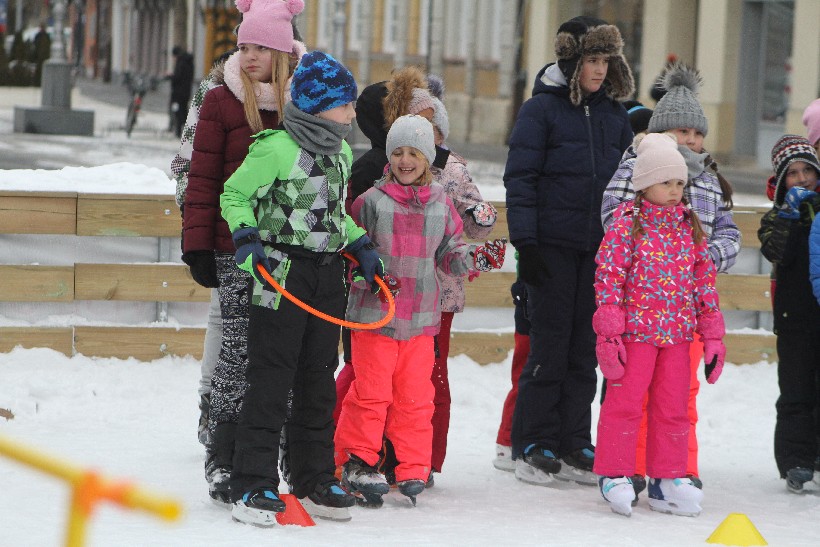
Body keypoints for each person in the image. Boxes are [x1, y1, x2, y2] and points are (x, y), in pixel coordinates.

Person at [221, 49, 374, 526]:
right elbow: (234, 193)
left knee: (317, 379)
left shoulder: (342, 153)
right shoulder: (277, 148)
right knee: (271, 378)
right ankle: (253, 482)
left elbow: (330, 217)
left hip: (328, 277)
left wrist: (360, 243)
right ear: (318, 105)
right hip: (280, 276)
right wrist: (245, 235)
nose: (353, 114)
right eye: (346, 105)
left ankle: (313, 476)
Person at [334, 114, 506, 508]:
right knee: (371, 394)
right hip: (375, 319)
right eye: (398, 153)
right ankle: (356, 461)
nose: (405, 161)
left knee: (415, 396)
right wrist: (369, 279)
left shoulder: (441, 205)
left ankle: (412, 466)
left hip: (421, 321)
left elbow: (449, 255)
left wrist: (476, 257)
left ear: (428, 159)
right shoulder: (370, 203)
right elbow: (349, 258)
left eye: (414, 153)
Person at [181, 0, 304, 506]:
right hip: (235, 250)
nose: (249, 55)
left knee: (279, 357)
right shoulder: (221, 101)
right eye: (244, 45)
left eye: (259, 47)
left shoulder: (303, 103)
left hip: (290, 253)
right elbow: (203, 176)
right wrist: (198, 246)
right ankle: (223, 455)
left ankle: (268, 451)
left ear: (281, 51)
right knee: (235, 352)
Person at [503, 15, 634, 487]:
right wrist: (527, 243)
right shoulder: (541, 111)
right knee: (551, 345)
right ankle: (534, 440)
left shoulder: (616, 116)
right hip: (551, 248)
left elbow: (625, 188)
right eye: (591, 59)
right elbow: (521, 178)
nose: (599, 70)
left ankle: (575, 438)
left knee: (587, 346)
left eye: (605, 60)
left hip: (599, 252)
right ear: (571, 60)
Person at [601, 62, 740, 496]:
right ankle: (632, 466)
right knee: (632, 393)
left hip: (685, 306)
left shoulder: (709, 179)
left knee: (679, 396)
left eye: (697, 133)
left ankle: (677, 469)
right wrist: (659, 255)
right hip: (640, 307)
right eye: (682, 132)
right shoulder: (637, 169)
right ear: (663, 131)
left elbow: (728, 232)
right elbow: (613, 221)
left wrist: (702, 256)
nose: (691, 141)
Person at [592, 132, 725, 517]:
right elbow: (609, 276)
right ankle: (615, 473)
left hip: (678, 337)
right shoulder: (626, 223)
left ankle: (667, 479)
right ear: (645, 183)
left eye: (680, 183)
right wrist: (610, 330)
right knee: (625, 403)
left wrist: (712, 333)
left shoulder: (689, 225)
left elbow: (704, 279)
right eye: (666, 182)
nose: (674, 190)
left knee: (673, 408)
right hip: (636, 336)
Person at [758, 134, 820, 493]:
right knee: (796, 387)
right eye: (793, 174)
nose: (801, 179)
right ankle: (795, 460)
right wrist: (788, 215)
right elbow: (774, 250)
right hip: (793, 317)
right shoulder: (776, 217)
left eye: (807, 171)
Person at [169, 46, 195, 137]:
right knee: (184, 110)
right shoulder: (189, 62)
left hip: (177, 92)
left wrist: (170, 76)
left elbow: (177, 77)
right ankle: (187, 130)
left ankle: (178, 131)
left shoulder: (180, 63)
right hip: (186, 91)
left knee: (177, 110)